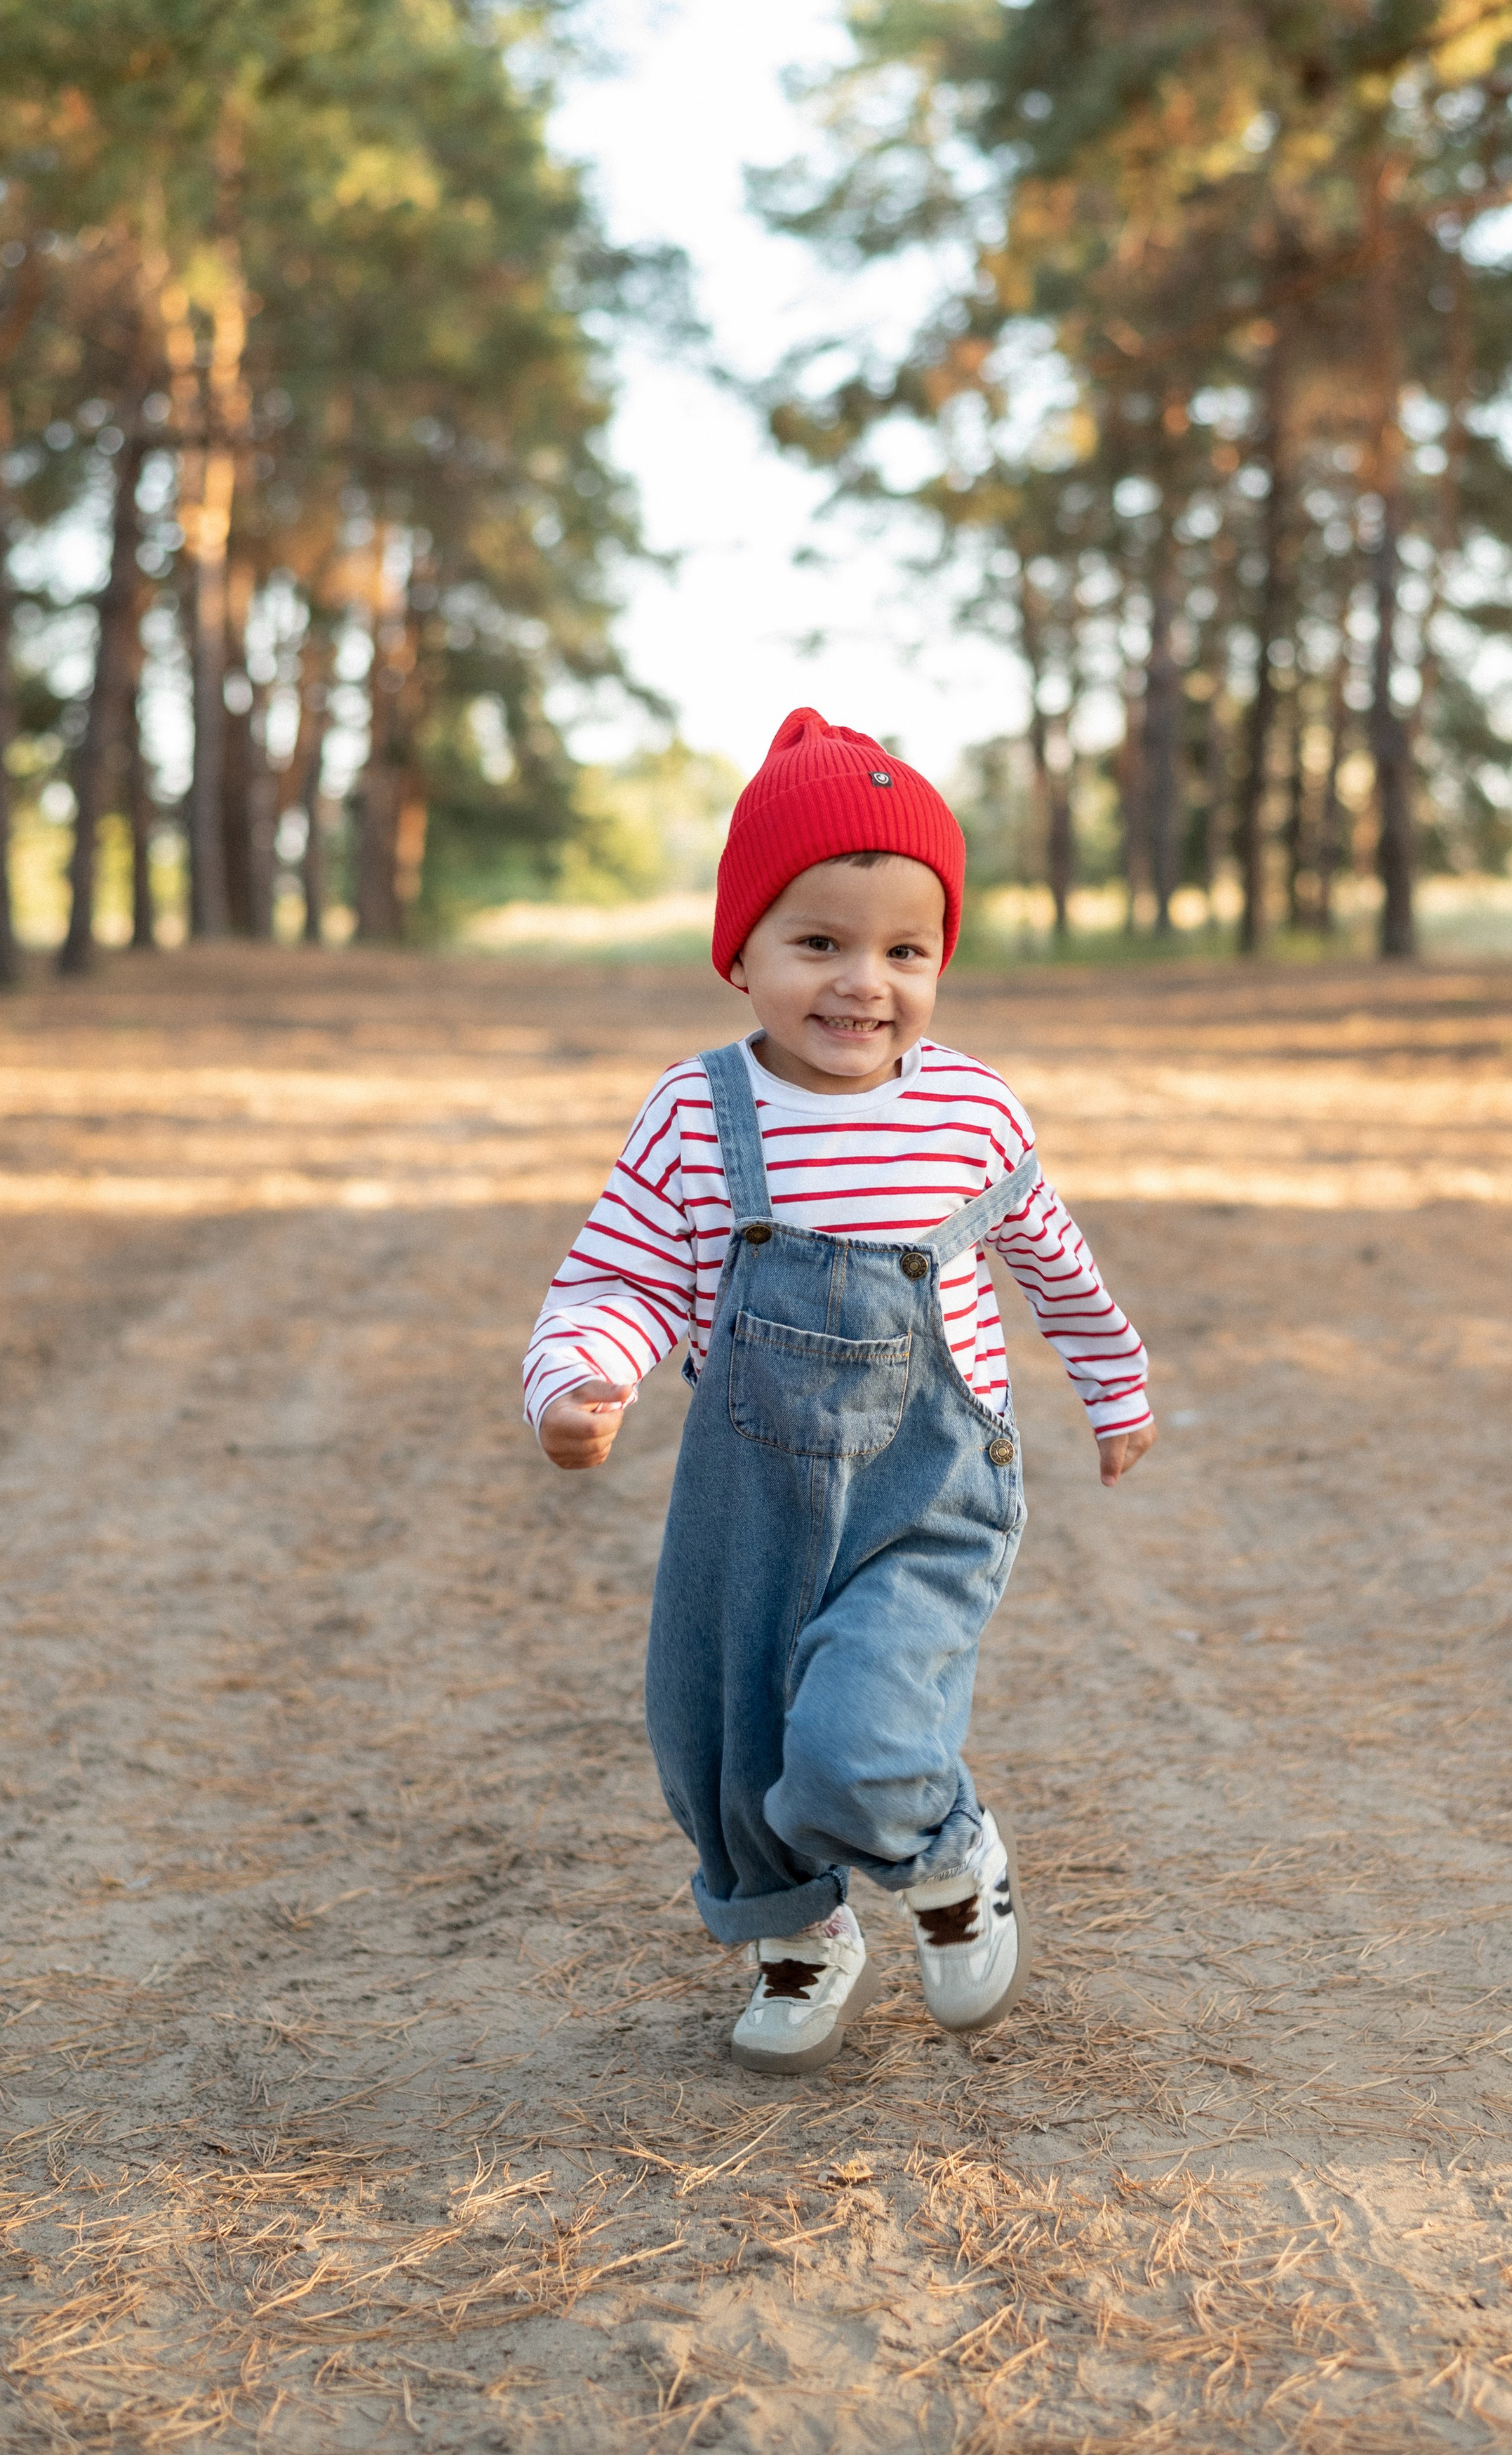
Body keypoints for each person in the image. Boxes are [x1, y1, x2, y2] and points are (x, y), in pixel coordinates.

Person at [524, 709, 1154, 2073]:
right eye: (818, 942)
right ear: (739, 950)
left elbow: (1051, 1256)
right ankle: (800, 1938)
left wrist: (1113, 1384)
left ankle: (947, 1855)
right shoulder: (696, 1114)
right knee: (725, 1735)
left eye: (903, 950)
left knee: (857, 1741)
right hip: (747, 1493)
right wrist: (582, 1379)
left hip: (925, 1490)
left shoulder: (969, 1111)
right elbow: (616, 1275)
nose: (862, 983)